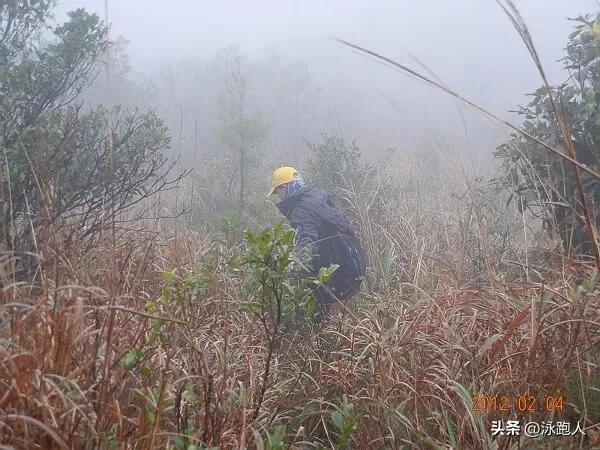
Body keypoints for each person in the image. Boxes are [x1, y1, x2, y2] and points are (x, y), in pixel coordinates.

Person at [267, 166, 366, 315]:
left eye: (279, 192)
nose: (280, 197)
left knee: (313, 316)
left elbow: (307, 243)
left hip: (337, 275)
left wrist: (290, 274)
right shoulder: (318, 196)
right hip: (353, 264)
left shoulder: (302, 211)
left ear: (286, 187)